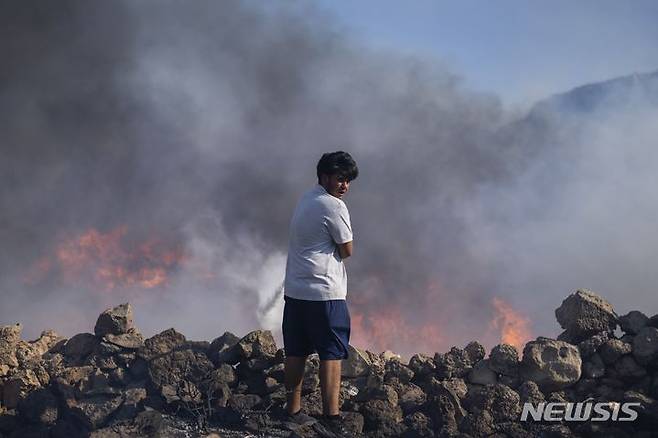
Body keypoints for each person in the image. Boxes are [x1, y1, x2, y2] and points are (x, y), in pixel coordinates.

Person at [282, 151, 358, 435]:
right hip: (324, 292)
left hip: (296, 289)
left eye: (348, 180)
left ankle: (292, 412)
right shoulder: (333, 206)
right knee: (331, 353)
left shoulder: (306, 198)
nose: (345, 186)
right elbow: (347, 249)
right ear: (325, 176)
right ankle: (331, 419)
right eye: (340, 179)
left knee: (296, 351)